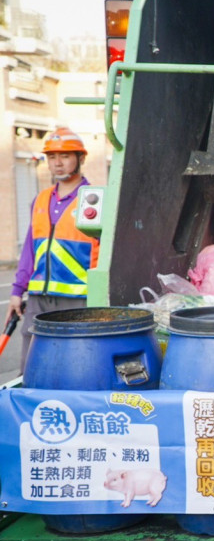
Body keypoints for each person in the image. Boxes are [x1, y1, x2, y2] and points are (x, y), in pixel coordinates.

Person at [4, 127, 99, 374]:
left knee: (75, 368)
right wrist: (17, 291)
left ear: (81, 159)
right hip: (38, 299)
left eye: (65, 156)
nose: (57, 163)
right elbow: (30, 248)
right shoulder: (41, 199)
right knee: (30, 369)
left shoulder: (94, 199)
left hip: (79, 299)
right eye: (52, 157)